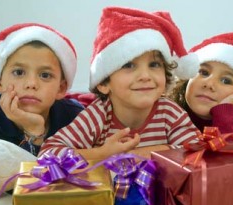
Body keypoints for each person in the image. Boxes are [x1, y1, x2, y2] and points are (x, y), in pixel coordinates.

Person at [39, 6, 201, 159]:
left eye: (154, 65)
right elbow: (48, 153)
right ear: (104, 83)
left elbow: (196, 148)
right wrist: (102, 153)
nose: (145, 75)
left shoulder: (169, 112)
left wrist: (138, 154)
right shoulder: (99, 115)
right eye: (129, 65)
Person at [0, 23, 84, 156]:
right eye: (19, 72)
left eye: (45, 75)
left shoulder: (75, 118)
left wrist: (35, 131)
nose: (31, 84)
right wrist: (33, 132)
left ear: (61, 88)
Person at [169, 32, 233, 151]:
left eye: (226, 80)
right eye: (204, 72)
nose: (209, 84)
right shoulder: (166, 114)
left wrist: (225, 112)